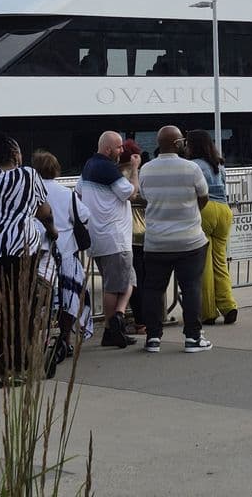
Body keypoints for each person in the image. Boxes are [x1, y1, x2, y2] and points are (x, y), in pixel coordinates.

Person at [0, 133, 58, 383]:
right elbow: (43, 209)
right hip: (20, 247)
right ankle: (17, 365)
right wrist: (52, 230)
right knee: (20, 307)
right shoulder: (29, 175)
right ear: (15, 154)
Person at [139, 125, 212, 354]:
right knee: (191, 288)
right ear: (177, 143)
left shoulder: (146, 170)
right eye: (182, 140)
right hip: (189, 240)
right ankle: (192, 337)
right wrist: (189, 213)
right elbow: (203, 197)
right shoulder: (191, 168)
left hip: (156, 241)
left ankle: (153, 338)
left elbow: (144, 197)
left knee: (153, 290)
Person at [76, 131, 139, 348]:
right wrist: (135, 171)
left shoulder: (88, 167)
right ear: (108, 149)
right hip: (115, 237)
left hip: (97, 236)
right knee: (114, 286)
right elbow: (130, 193)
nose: (122, 150)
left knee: (127, 280)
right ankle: (113, 328)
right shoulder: (108, 169)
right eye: (119, 147)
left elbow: (79, 192)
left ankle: (117, 320)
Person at [32, 149, 93, 355]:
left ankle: (38, 340)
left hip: (37, 253)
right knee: (70, 298)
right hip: (66, 252)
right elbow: (84, 216)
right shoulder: (66, 193)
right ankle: (64, 339)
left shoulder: (31, 192)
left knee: (40, 300)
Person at [186, 130, 238, 327]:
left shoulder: (194, 165)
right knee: (220, 261)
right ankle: (228, 305)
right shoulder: (219, 164)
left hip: (205, 210)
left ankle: (207, 312)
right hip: (224, 210)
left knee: (204, 264)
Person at [119, 139, 146, 335]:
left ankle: (140, 321)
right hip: (145, 232)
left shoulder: (117, 175)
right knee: (144, 278)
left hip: (127, 233)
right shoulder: (140, 173)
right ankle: (147, 320)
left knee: (133, 281)